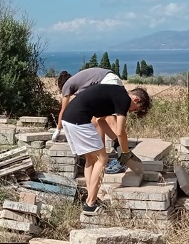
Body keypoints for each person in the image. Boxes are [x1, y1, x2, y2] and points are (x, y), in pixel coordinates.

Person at [61, 84, 150, 215]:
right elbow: (120, 131)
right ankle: (90, 204)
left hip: (68, 119)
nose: (132, 112)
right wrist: (125, 152)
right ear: (136, 99)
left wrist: (115, 143)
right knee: (103, 159)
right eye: (135, 109)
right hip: (79, 120)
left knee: (90, 159)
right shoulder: (124, 99)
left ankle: (91, 197)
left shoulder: (114, 95)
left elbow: (101, 121)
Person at [53, 67, 123, 142]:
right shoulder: (80, 83)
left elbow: (63, 110)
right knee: (97, 118)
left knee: (109, 119)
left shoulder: (67, 85)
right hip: (113, 79)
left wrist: (58, 130)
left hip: (107, 82)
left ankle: (122, 148)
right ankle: (105, 149)